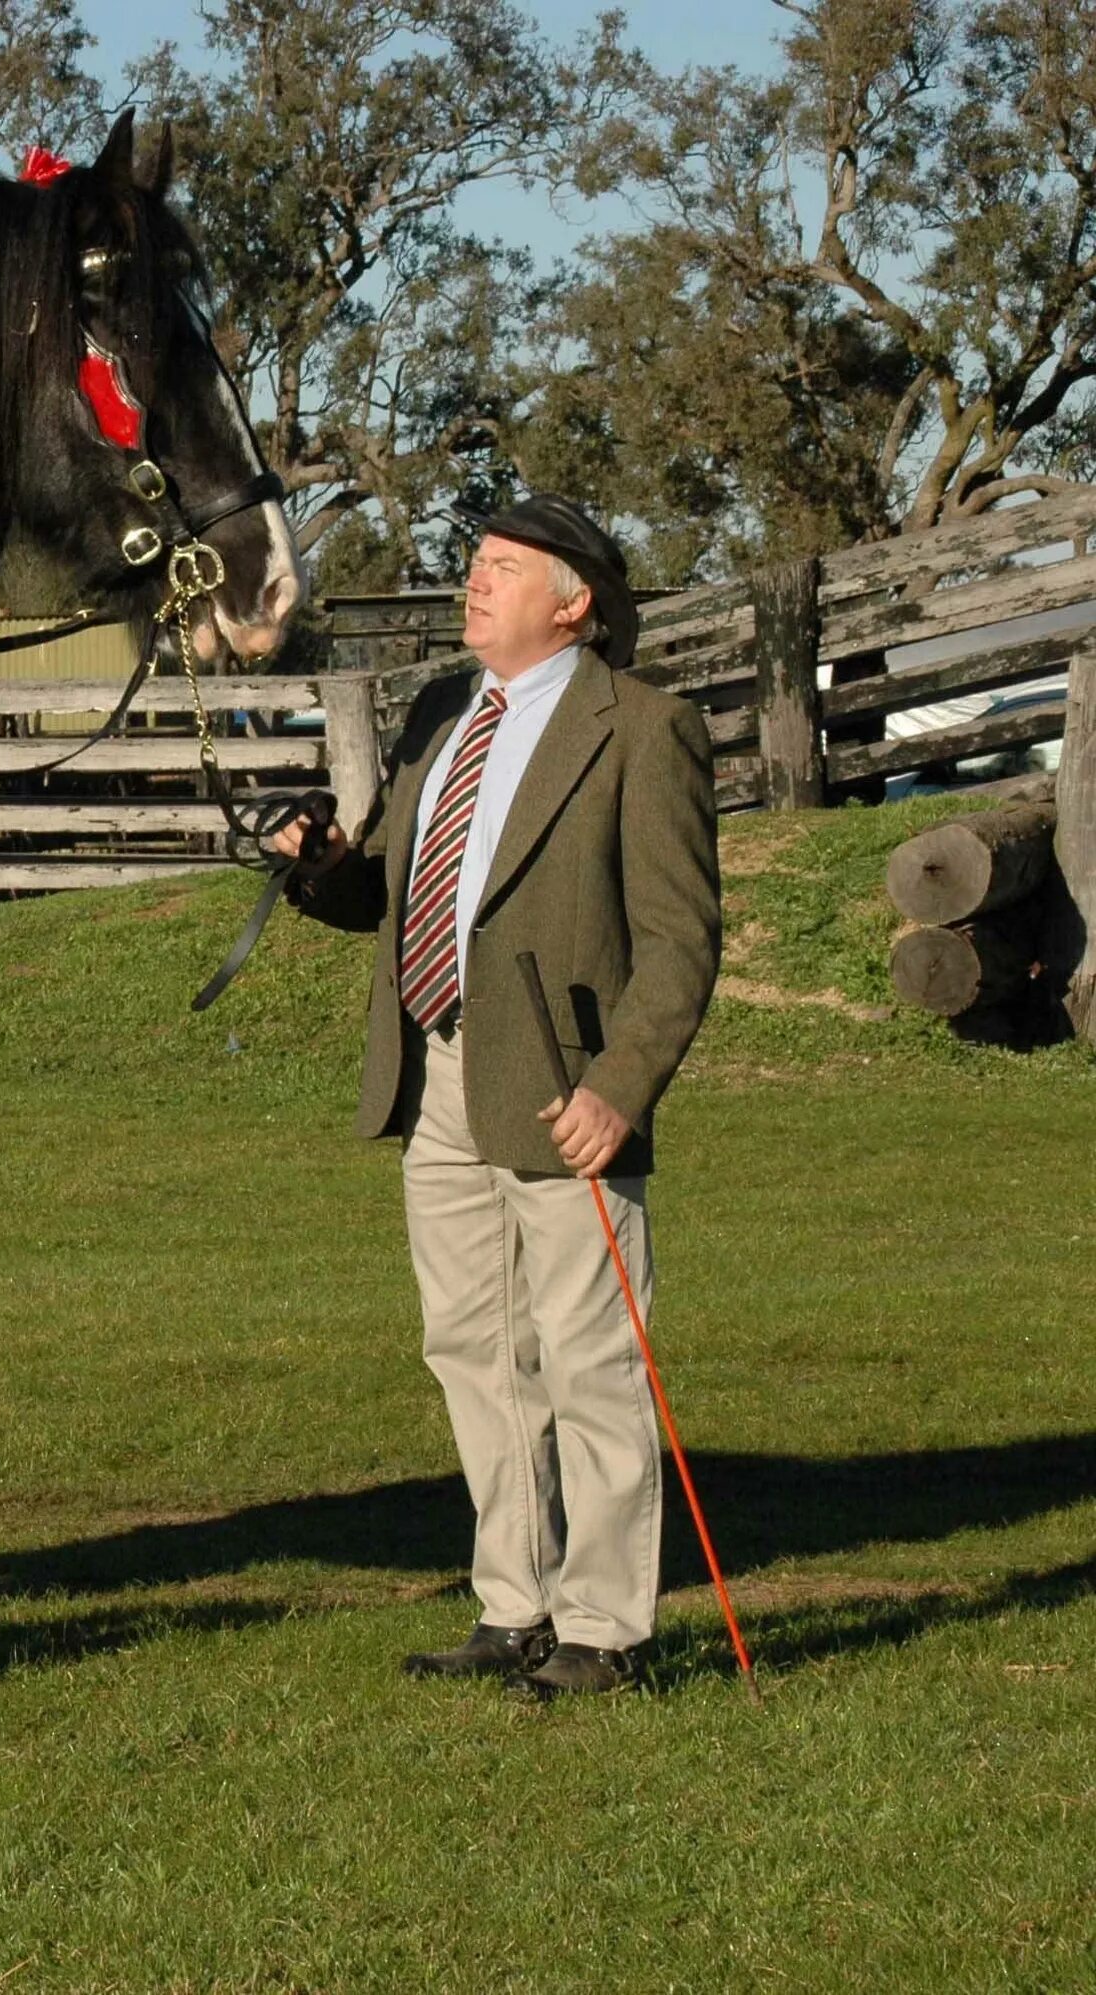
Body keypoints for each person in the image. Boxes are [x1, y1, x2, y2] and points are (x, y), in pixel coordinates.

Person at [273, 494, 720, 1701]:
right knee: (474, 1348)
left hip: (565, 1084)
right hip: (436, 1072)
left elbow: (680, 943)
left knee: (589, 1359)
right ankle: (515, 1606)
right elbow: (389, 895)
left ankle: (606, 1631)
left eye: (504, 568)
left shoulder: (643, 729)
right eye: (474, 562)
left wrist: (621, 1087)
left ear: (574, 603)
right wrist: (316, 871)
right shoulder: (438, 715)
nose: (475, 582)